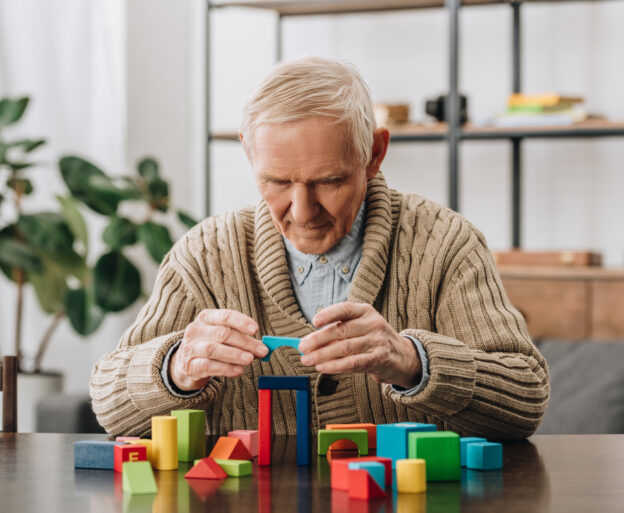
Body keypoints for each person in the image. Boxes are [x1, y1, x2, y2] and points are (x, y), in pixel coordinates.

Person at [90, 56, 549, 440]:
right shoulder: (204, 255)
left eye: (328, 181)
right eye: (276, 181)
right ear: (250, 156)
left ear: (374, 154)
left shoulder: (445, 244)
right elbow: (110, 409)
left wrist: (413, 363)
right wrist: (173, 369)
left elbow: (526, 398)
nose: (303, 210)